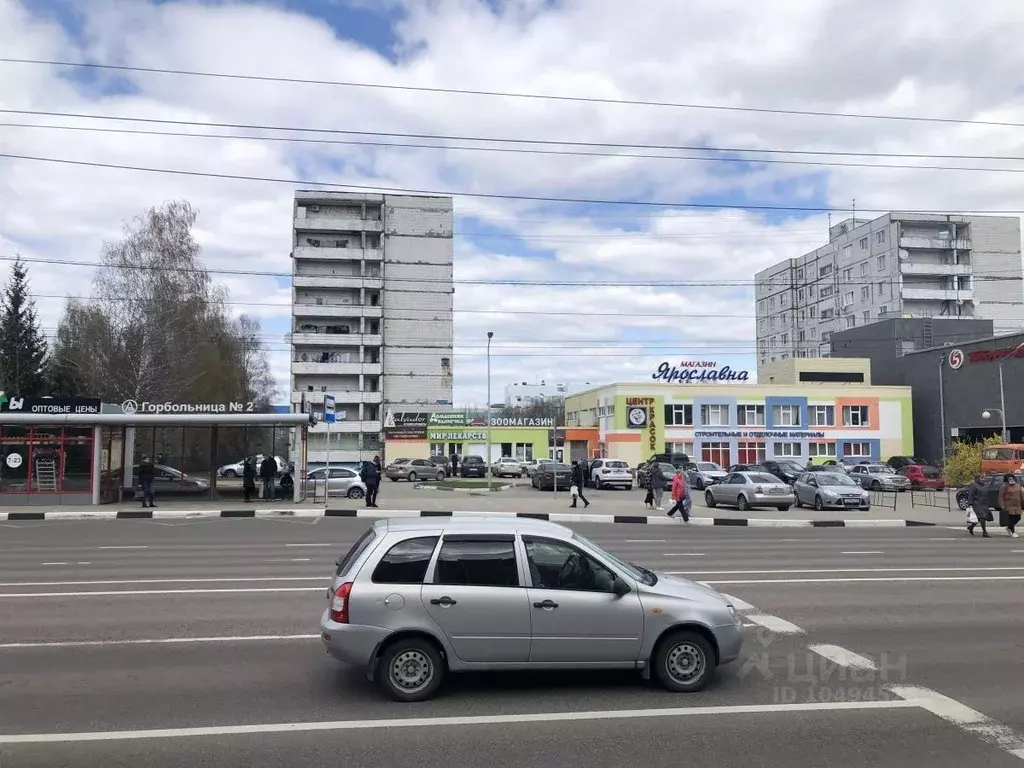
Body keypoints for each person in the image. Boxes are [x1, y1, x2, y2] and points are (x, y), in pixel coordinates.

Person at [999, 473, 1023, 538]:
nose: (1011, 479)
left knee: (1018, 517)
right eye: (1009, 478)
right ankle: (1013, 532)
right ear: (1006, 479)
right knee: (1011, 518)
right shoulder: (1004, 486)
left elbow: (1021, 495)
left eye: (1012, 478)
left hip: (1017, 505)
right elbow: (1001, 497)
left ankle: (1009, 527)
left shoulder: (1018, 486)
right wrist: (1002, 506)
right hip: (1009, 505)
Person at [967, 473, 991, 537]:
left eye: (983, 478)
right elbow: (970, 495)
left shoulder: (985, 485)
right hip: (977, 503)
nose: (983, 479)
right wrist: (970, 504)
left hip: (984, 504)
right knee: (982, 517)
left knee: (979, 518)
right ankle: (985, 532)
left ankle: (971, 527)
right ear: (977, 479)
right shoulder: (974, 485)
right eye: (981, 478)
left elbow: (986, 495)